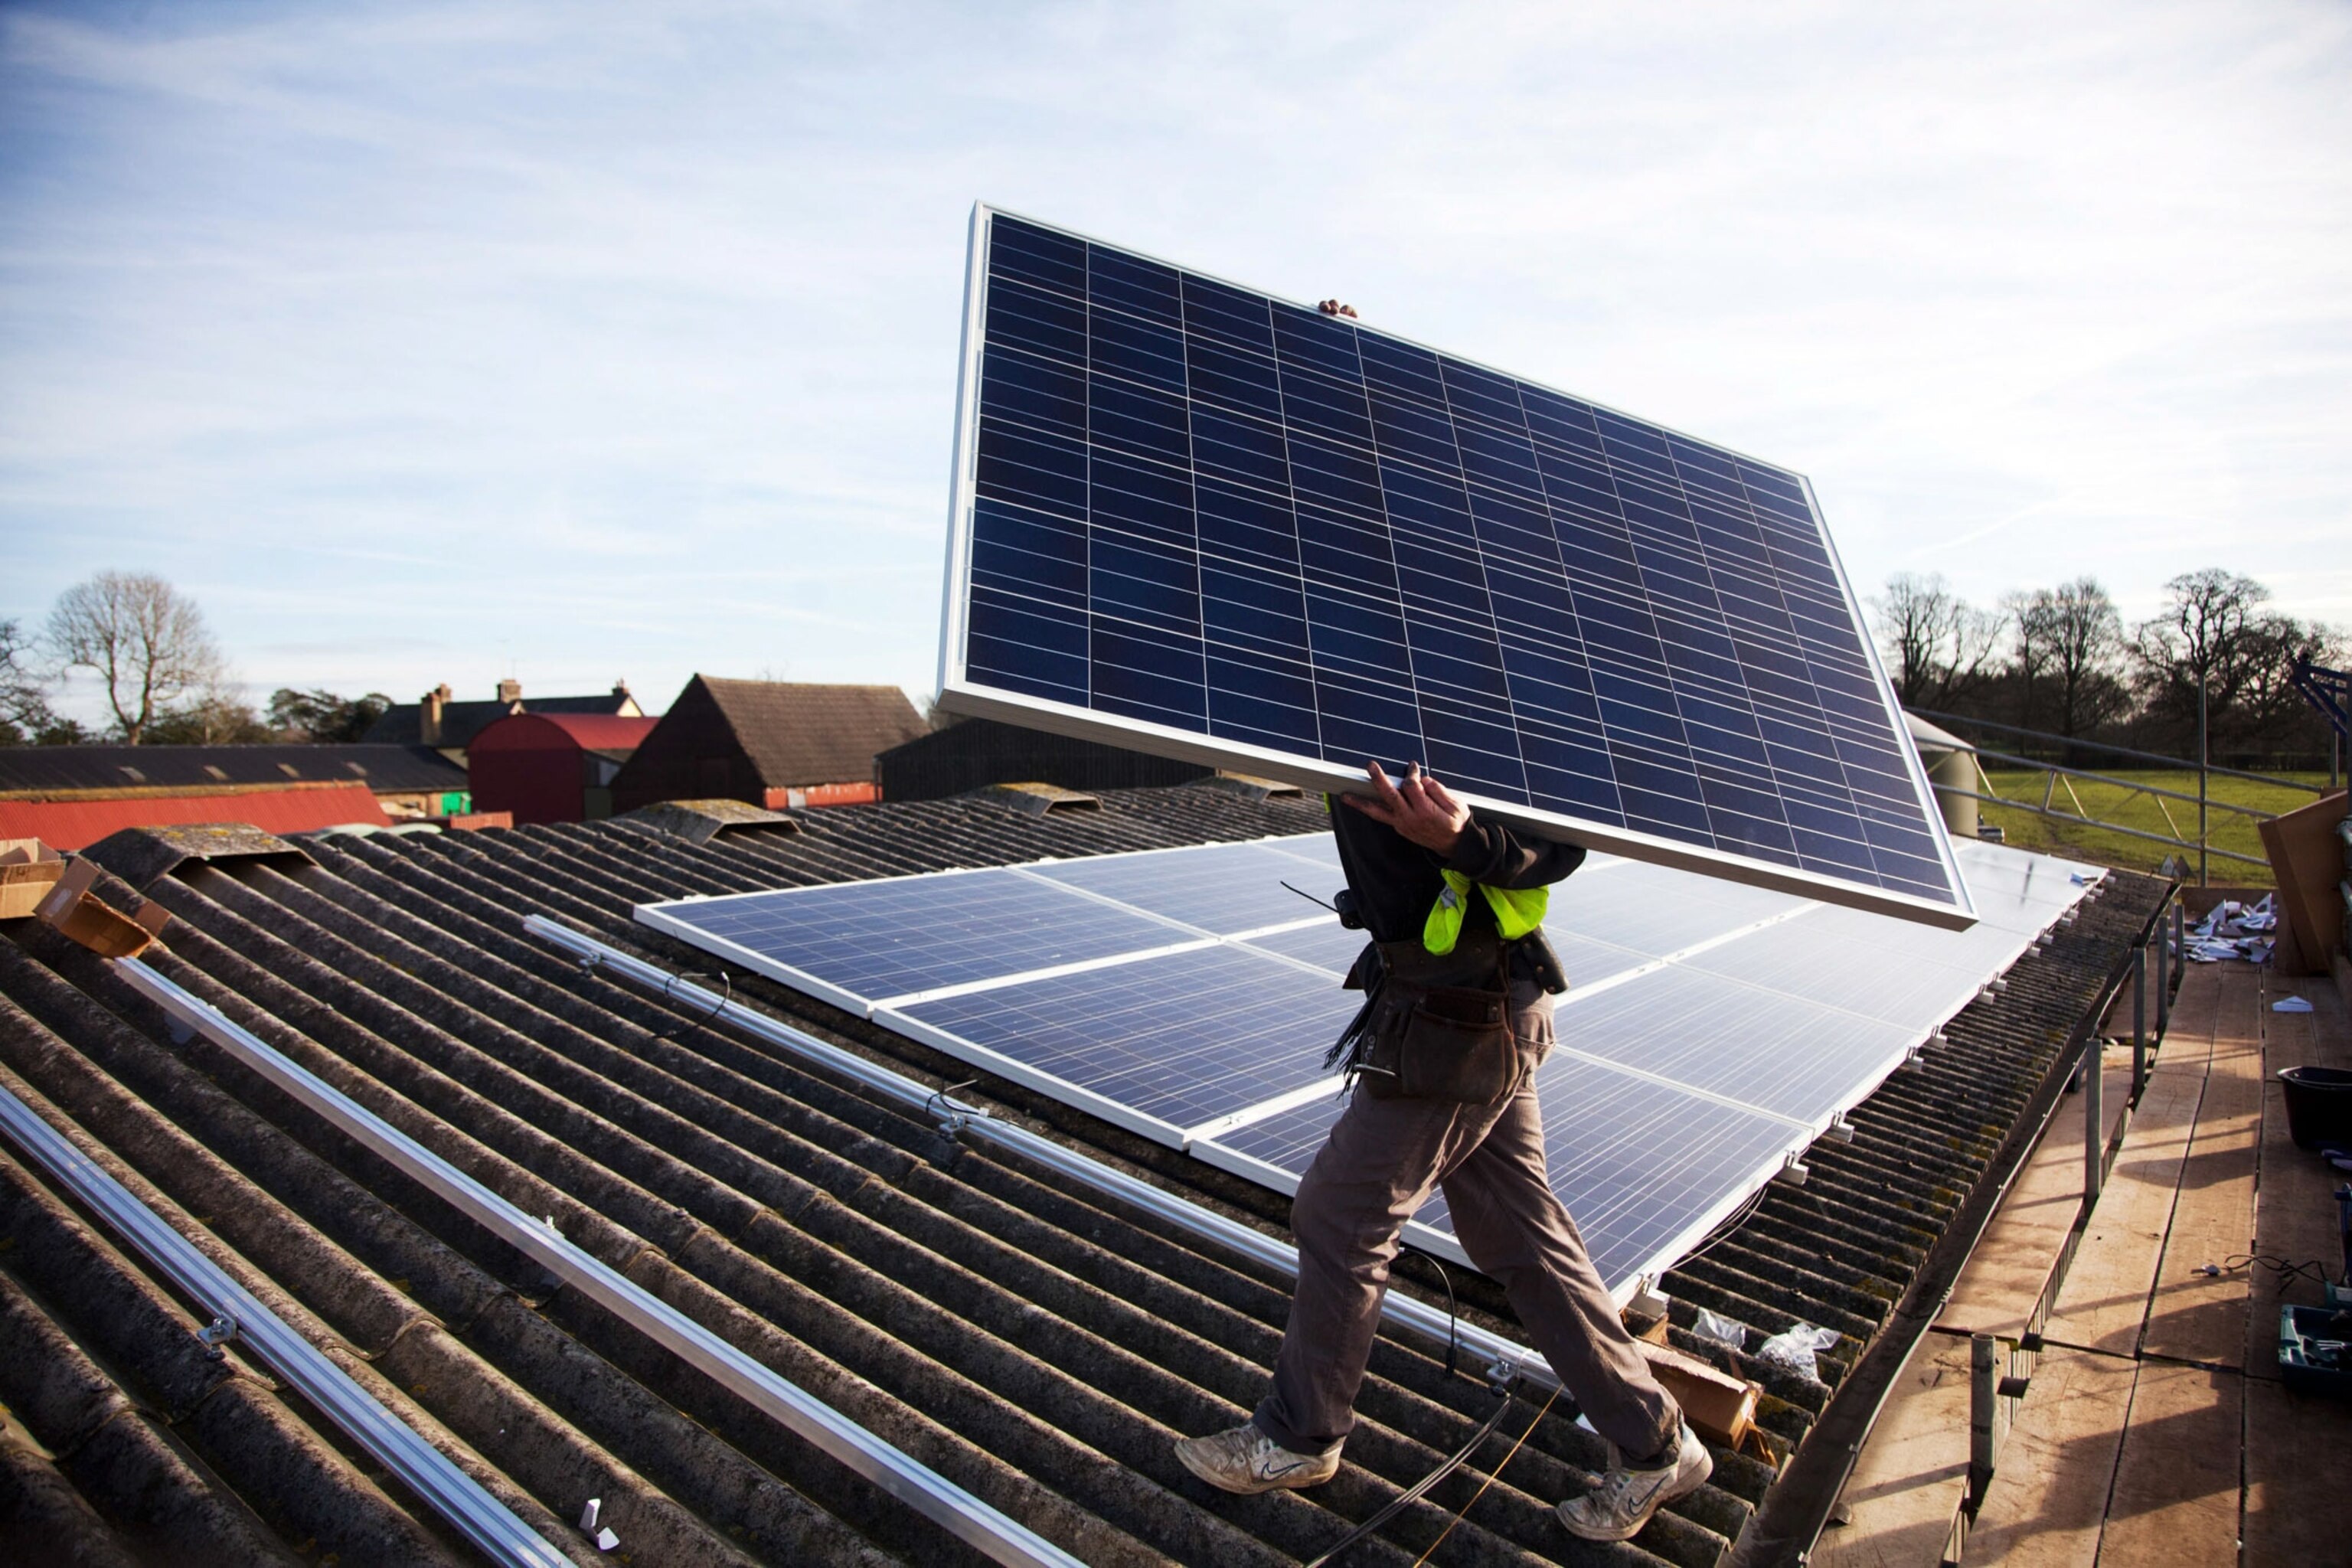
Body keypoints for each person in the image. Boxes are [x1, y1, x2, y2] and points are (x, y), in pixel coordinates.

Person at [1172, 760, 1712, 1544]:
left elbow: (1560, 836)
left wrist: (1465, 839)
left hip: (1464, 1021)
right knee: (1517, 1232)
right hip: (1457, 1003)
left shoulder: (1484, 686)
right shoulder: (1352, 686)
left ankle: (1300, 1436)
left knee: (1342, 1212)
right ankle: (1655, 1441)